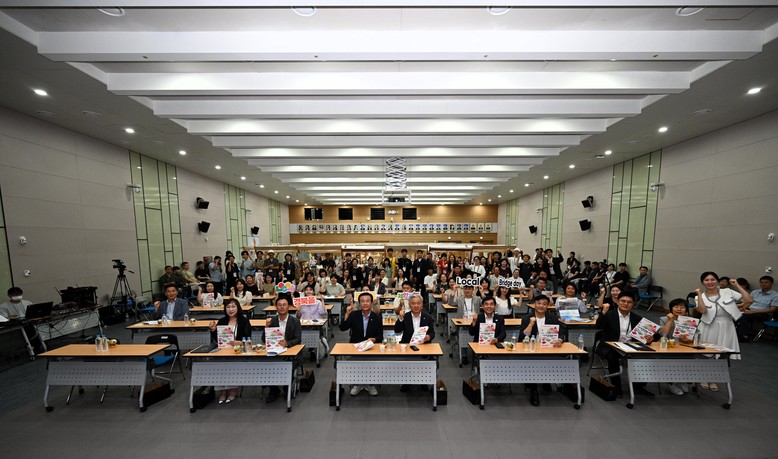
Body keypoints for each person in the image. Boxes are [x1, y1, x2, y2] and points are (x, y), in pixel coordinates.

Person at [694, 272, 751, 392]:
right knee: (706, 353)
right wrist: (699, 294)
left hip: (726, 325)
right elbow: (702, 310)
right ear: (702, 282)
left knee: (721, 354)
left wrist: (737, 285)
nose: (710, 282)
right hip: (708, 325)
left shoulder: (728, 292)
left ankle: (713, 379)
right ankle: (703, 378)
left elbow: (749, 300)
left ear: (717, 281)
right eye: (706, 280)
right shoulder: (700, 296)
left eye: (713, 279)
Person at [594, 291, 655, 398]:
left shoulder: (637, 318)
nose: (626, 304)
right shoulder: (609, 314)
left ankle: (639, 385)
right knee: (613, 358)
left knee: (646, 356)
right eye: (623, 301)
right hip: (609, 346)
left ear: (633, 304)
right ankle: (616, 387)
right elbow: (598, 326)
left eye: (629, 302)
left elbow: (652, 335)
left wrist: (650, 339)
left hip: (630, 346)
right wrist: (603, 312)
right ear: (617, 302)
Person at [520, 294, 564, 405]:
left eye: (544, 304)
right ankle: (534, 390)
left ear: (548, 306)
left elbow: (561, 333)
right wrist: (531, 324)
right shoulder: (527, 318)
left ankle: (546, 380)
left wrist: (560, 340)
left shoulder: (553, 318)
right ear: (534, 304)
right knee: (533, 362)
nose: (541, 306)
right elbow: (522, 337)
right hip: (531, 349)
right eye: (538, 303)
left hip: (549, 348)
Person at [208, 298, 252, 403]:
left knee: (231, 363)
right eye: (228, 307)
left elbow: (248, 338)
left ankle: (232, 389)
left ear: (238, 308)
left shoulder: (244, 321)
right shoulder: (222, 321)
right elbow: (217, 339)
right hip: (223, 350)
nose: (230, 309)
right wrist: (213, 330)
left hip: (238, 351)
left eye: (233, 307)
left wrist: (239, 342)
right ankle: (223, 391)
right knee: (219, 363)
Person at [340, 292, 383, 396]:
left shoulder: (377, 317)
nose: (365, 303)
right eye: (362, 301)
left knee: (370, 365)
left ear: (371, 303)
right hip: (356, 346)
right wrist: (347, 314)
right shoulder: (354, 315)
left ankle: (370, 384)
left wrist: (374, 339)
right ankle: (357, 384)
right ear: (359, 303)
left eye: (367, 301)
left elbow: (380, 336)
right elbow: (342, 328)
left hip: (370, 347)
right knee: (357, 365)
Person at [263, 296, 302, 403]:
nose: (282, 307)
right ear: (276, 307)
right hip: (274, 351)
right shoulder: (272, 321)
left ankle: (286, 387)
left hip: (289, 352)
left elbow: (298, 339)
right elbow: (263, 339)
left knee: (289, 363)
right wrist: (266, 327)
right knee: (267, 364)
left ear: (289, 307)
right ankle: (273, 390)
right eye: (279, 305)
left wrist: (287, 343)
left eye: (284, 305)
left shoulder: (295, 321)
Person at [658, 298, 695, 396]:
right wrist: (670, 321)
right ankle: (671, 382)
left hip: (683, 347)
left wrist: (687, 339)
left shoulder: (689, 321)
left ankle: (681, 380)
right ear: (671, 309)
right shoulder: (664, 319)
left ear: (686, 309)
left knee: (687, 359)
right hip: (668, 347)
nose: (679, 309)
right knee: (672, 360)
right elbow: (663, 334)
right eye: (676, 307)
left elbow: (692, 339)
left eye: (682, 307)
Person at [737, 275, 778, 342]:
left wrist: (754, 311)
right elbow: (749, 302)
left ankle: (744, 337)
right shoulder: (755, 292)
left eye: (766, 282)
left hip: (764, 314)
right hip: (750, 310)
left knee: (744, 317)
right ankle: (733, 334)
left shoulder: (775, 295)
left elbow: (773, 309)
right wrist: (743, 308)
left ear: (772, 283)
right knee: (734, 313)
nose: (763, 284)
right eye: (761, 282)